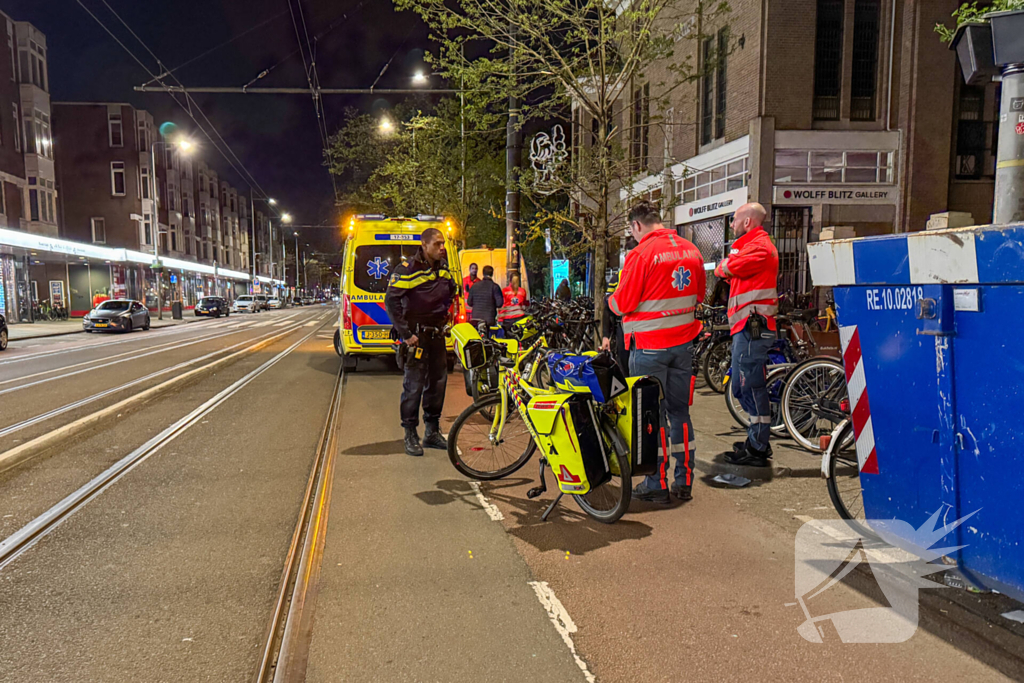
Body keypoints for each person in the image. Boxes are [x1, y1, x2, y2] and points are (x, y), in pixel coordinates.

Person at [609, 201, 705, 504]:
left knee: (653, 416)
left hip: (650, 349)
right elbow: (698, 294)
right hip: (683, 346)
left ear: (637, 226)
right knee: (680, 413)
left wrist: (610, 301)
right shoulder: (692, 250)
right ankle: (684, 481)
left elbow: (623, 303)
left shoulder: (641, 255)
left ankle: (656, 482)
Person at [714, 202, 779, 468]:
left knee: (750, 384)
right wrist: (728, 264)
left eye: (734, 220)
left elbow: (725, 269)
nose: (731, 224)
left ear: (748, 222)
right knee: (741, 386)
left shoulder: (760, 247)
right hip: (746, 327)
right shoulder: (753, 246)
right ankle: (757, 441)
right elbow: (728, 269)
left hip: (754, 327)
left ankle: (758, 445)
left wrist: (728, 264)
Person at [384, 228, 457, 457]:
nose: (442, 247)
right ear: (424, 245)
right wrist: (405, 334)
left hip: (436, 336)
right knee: (413, 386)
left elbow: (452, 292)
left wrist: (446, 318)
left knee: (437, 385)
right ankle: (410, 433)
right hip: (416, 336)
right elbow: (391, 301)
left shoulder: (444, 268)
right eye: (437, 244)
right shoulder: (406, 270)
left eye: (443, 243)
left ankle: (432, 431)